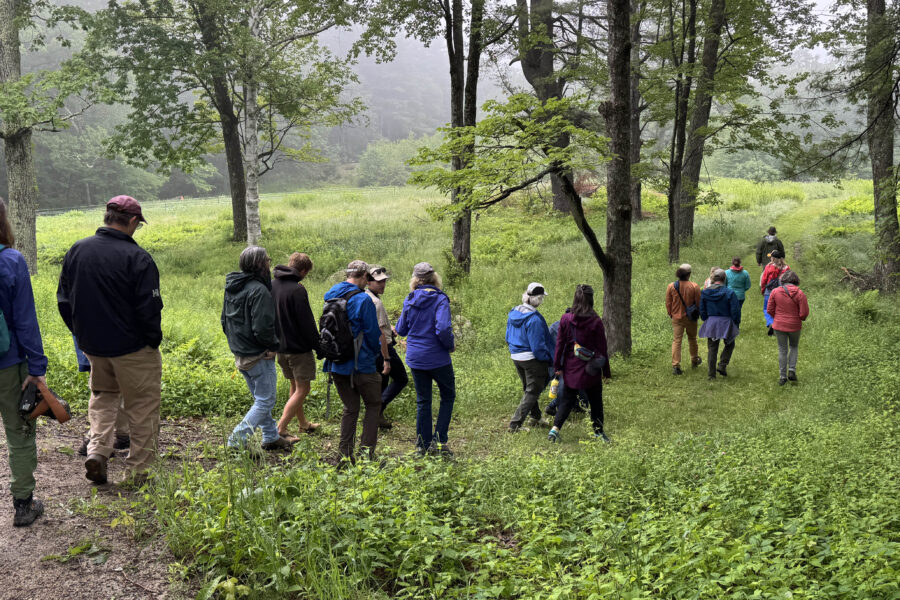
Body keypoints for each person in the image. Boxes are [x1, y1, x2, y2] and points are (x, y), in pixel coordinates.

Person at [57, 195, 163, 486]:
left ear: (107, 217)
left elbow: (64, 300)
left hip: (93, 347)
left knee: (103, 398)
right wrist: (152, 340)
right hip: (133, 349)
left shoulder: (77, 251)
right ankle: (140, 472)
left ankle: (98, 452)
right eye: (137, 225)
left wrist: (81, 333)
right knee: (142, 407)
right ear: (131, 221)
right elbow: (149, 308)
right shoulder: (138, 258)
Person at [0, 198, 48, 526]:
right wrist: (37, 367)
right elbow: (26, 320)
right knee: (19, 433)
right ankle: (23, 505)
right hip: (9, 365)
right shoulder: (12, 261)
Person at [222, 246, 291, 452]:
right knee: (265, 400)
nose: (270, 263)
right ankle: (236, 441)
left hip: (240, 353)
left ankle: (271, 437)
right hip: (258, 355)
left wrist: (237, 344)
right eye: (268, 260)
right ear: (260, 264)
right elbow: (262, 327)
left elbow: (224, 321)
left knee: (260, 399)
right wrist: (272, 346)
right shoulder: (259, 290)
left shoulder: (233, 286)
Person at [323, 260, 383, 462]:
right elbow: (373, 333)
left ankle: (344, 456)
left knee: (350, 409)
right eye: (368, 278)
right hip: (362, 364)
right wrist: (376, 356)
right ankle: (366, 455)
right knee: (374, 405)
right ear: (365, 276)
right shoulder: (363, 300)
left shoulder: (331, 295)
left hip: (337, 364)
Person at [395, 262, 455, 456]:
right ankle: (439, 441)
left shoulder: (410, 298)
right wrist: (449, 345)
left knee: (423, 401)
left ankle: (422, 444)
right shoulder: (440, 299)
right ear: (434, 278)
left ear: (415, 279)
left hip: (416, 357)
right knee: (448, 395)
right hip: (438, 358)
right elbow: (443, 328)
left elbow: (401, 329)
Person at [547, 285, 611, 444]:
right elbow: (602, 348)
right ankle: (599, 433)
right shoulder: (595, 321)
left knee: (567, 400)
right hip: (591, 370)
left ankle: (554, 430)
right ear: (591, 299)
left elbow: (560, 345)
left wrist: (558, 367)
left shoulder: (565, 319)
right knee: (596, 401)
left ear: (575, 299)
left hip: (571, 368)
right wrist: (606, 371)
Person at [271, 252, 320, 441]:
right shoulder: (297, 290)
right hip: (298, 349)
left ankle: (303, 424)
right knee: (303, 389)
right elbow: (307, 323)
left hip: (280, 347)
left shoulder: (272, 285)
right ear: (303, 270)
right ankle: (280, 429)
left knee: (294, 385)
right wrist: (319, 346)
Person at [505, 283, 553, 432]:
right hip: (531, 359)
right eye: (541, 298)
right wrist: (547, 358)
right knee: (532, 391)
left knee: (529, 388)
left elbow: (507, 336)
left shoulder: (514, 312)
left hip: (516, 356)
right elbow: (538, 347)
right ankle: (515, 425)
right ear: (537, 299)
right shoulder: (534, 320)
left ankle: (536, 417)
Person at [366, 264, 408, 430]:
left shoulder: (366, 296)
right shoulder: (375, 302)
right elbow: (380, 330)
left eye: (383, 281)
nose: (382, 284)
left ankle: (378, 415)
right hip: (383, 347)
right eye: (378, 282)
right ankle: (377, 410)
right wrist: (387, 356)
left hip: (372, 346)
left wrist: (388, 328)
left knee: (382, 380)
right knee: (401, 378)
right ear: (368, 281)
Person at [75, 335, 129, 457]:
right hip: (100, 340)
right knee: (106, 389)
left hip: (92, 338)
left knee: (107, 387)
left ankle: (120, 435)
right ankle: (98, 443)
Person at [766, 270, 809, 385]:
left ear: (783, 280)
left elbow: (769, 309)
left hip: (779, 325)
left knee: (782, 349)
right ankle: (792, 370)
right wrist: (799, 318)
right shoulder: (800, 293)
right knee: (794, 346)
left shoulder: (775, 292)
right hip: (795, 325)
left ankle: (782, 377)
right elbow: (804, 313)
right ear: (796, 281)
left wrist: (778, 317)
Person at [699, 269, 741, 380]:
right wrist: (736, 323)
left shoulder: (705, 292)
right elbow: (735, 310)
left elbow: (702, 309)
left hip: (712, 322)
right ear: (724, 279)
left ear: (713, 279)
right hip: (726, 322)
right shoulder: (729, 293)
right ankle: (722, 364)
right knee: (730, 344)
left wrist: (706, 319)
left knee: (712, 348)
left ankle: (711, 374)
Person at [665, 264, 702, 375]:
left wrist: (670, 313)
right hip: (691, 318)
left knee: (677, 341)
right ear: (689, 274)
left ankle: (676, 365)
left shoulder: (671, 286)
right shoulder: (694, 286)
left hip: (676, 317)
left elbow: (668, 302)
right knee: (692, 339)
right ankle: (694, 360)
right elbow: (698, 303)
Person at [760, 250, 790, 334]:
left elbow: (764, 280)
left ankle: (771, 323)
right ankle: (779, 325)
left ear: (772, 258)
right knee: (779, 309)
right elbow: (789, 279)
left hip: (769, 291)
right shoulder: (786, 268)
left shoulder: (769, 267)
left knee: (767, 308)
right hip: (782, 291)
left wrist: (763, 290)